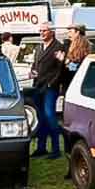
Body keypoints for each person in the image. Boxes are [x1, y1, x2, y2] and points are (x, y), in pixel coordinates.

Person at [31, 22, 64, 159]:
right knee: (41, 117)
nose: (41, 33)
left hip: (50, 87)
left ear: (51, 32)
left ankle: (56, 149)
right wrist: (31, 72)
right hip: (38, 86)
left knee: (50, 115)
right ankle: (41, 147)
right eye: (40, 31)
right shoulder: (39, 47)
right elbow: (35, 64)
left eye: (44, 31)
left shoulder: (58, 47)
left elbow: (61, 69)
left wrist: (52, 83)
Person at [61, 25, 92, 91]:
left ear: (77, 32)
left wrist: (64, 60)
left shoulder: (70, 47)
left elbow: (72, 68)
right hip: (79, 85)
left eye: (70, 31)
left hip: (72, 83)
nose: (68, 34)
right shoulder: (88, 46)